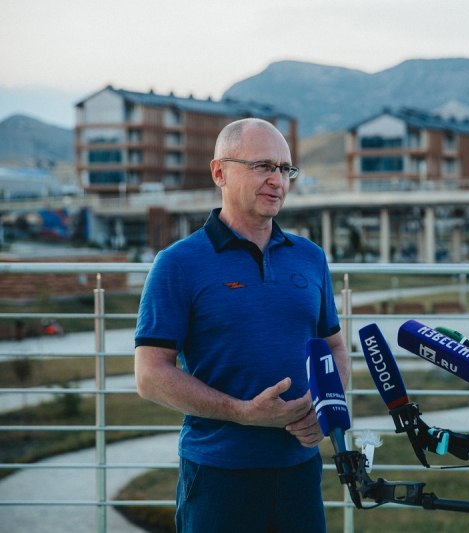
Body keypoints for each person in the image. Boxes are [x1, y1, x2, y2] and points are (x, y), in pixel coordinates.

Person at [134, 118, 348, 533]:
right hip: (218, 475)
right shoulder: (178, 263)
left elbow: (335, 348)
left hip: (300, 471)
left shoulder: (310, 257)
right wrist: (242, 413)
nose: (278, 181)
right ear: (220, 172)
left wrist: (327, 409)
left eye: (285, 169)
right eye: (262, 166)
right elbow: (150, 374)